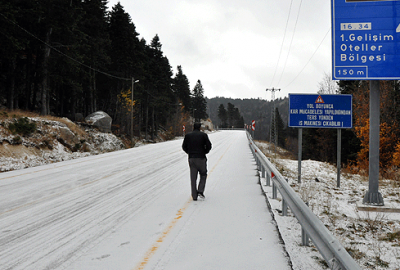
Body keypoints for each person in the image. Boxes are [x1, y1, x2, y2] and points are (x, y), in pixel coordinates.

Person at [182, 122, 212, 201]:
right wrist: (205, 151)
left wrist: (189, 152)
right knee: (203, 174)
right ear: (200, 128)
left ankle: (194, 196)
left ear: (193, 127)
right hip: (201, 157)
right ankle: (200, 190)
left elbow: (184, 146)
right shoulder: (203, 135)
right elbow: (209, 146)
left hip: (192, 158)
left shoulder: (188, 136)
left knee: (193, 177)